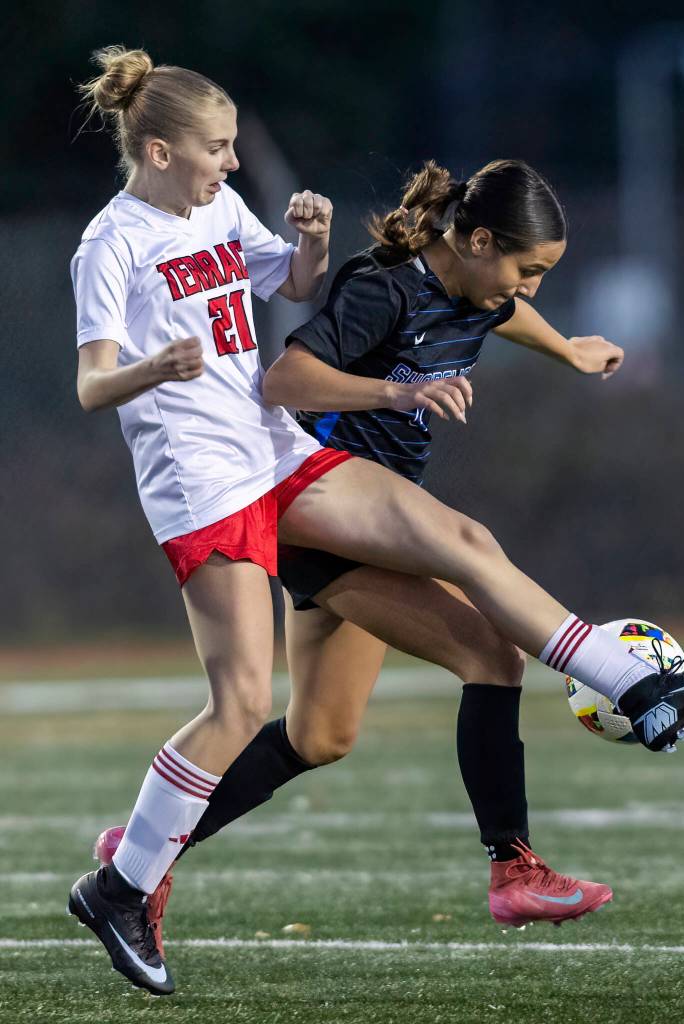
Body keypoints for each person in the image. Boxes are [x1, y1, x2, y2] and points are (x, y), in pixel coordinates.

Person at [68, 46, 684, 998]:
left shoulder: (217, 209)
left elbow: (294, 289)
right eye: (217, 148)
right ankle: (126, 877)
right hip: (203, 482)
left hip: (276, 455)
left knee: (363, 684)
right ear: (157, 148)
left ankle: (630, 695)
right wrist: (162, 368)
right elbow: (96, 382)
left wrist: (304, 247)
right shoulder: (113, 245)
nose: (231, 163)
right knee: (239, 707)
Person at [95, 157, 632, 951]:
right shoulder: (382, 285)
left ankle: (139, 849)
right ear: (477, 239)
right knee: (488, 637)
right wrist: (396, 393)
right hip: (321, 510)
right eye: (527, 269)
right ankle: (522, 857)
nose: (531, 289)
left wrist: (566, 349)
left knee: (322, 734)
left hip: (369, 519)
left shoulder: (477, 292)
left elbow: (500, 313)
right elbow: (286, 378)